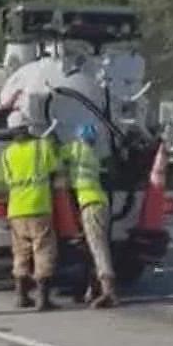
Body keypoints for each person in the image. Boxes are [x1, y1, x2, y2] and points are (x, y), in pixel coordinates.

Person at [0, 110, 64, 310]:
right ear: (27, 127)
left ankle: (21, 296)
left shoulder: (7, 153)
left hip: (16, 209)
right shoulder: (41, 147)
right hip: (38, 206)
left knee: (20, 253)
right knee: (43, 250)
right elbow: (56, 168)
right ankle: (43, 299)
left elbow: (8, 180)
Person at [63, 121, 120, 308]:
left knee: (98, 247)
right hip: (99, 203)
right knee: (93, 247)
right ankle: (93, 288)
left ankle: (109, 292)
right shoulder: (93, 154)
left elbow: (54, 155)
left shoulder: (76, 149)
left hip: (91, 204)